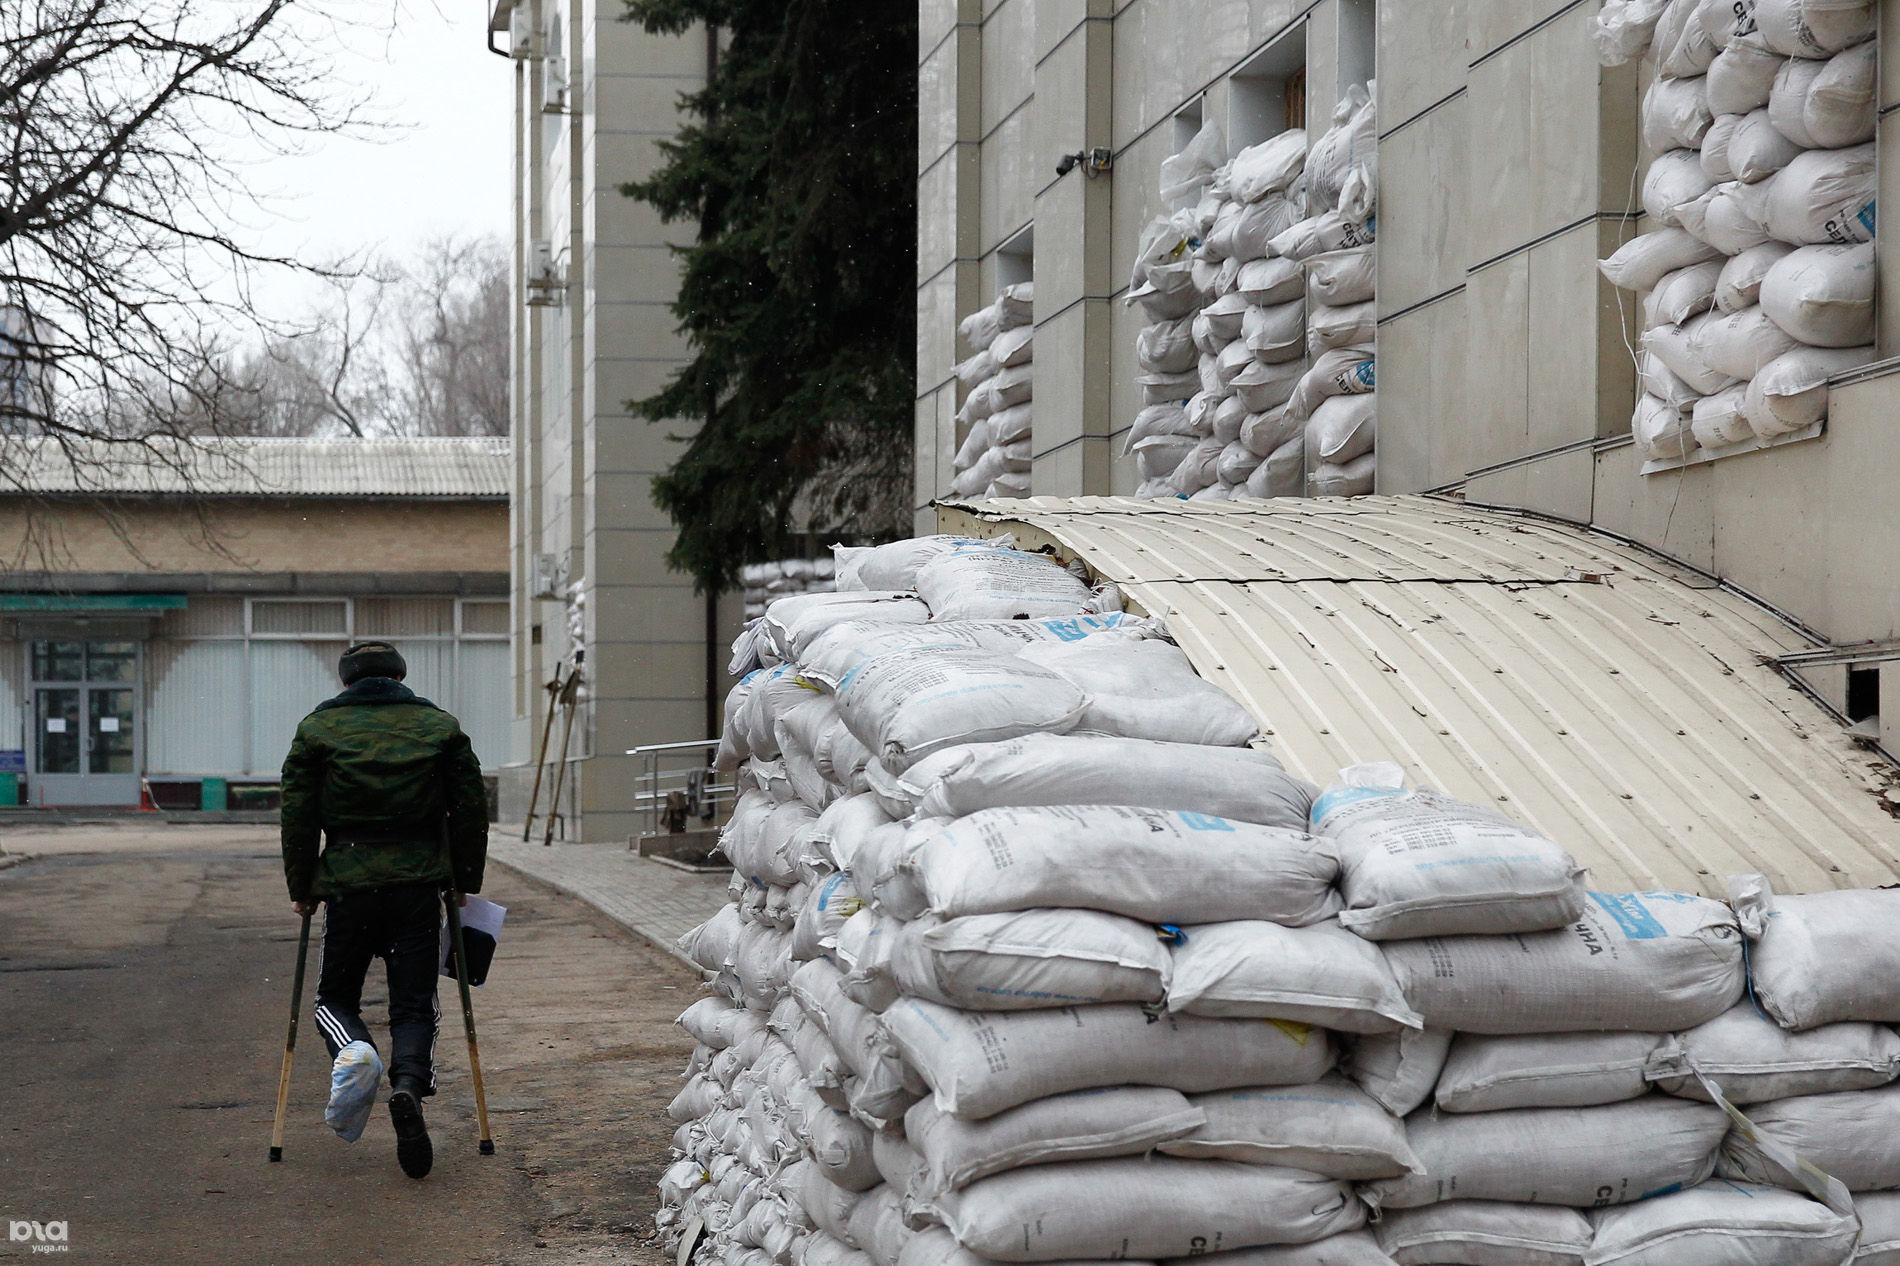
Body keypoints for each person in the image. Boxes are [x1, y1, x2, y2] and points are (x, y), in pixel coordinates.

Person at [280, 641, 489, 1179]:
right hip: (418, 888)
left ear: (346, 683)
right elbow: (469, 809)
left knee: (334, 996)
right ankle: (407, 1086)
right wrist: (464, 880)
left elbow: (298, 814)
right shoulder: (440, 727)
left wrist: (302, 884)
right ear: (400, 677)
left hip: (348, 883)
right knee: (415, 1005)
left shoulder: (317, 731)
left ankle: (354, 1050)